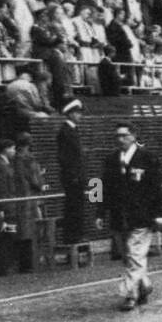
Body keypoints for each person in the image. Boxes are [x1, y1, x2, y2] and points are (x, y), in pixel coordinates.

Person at [98, 123, 162, 311]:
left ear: (133, 136)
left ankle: (129, 294)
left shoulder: (147, 158)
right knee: (127, 257)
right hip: (119, 217)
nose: (120, 139)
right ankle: (144, 284)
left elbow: (156, 188)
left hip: (141, 216)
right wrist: (99, 211)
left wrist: (160, 214)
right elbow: (98, 185)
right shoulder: (110, 160)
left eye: (124, 135)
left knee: (136, 255)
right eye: (117, 136)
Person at [14, 133, 49, 272]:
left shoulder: (17, 159)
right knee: (36, 228)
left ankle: (29, 261)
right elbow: (33, 178)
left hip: (27, 198)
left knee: (28, 230)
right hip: (32, 199)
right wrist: (40, 182)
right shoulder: (27, 160)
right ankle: (32, 261)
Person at [0, 139, 20, 277]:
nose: (14, 151)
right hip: (5, 207)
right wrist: (1, 208)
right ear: (5, 149)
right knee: (4, 236)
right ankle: (2, 266)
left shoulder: (4, 164)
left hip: (8, 205)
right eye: (12, 148)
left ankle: (4, 265)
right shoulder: (0, 165)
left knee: (7, 235)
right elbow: (0, 188)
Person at [57, 99, 87, 245]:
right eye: (76, 113)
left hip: (77, 175)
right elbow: (65, 157)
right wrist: (73, 175)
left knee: (77, 205)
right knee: (73, 206)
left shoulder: (73, 130)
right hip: (72, 177)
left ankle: (77, 234)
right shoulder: (65, 132)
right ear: (69, 114)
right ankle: (72, 235)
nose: (79, 116)